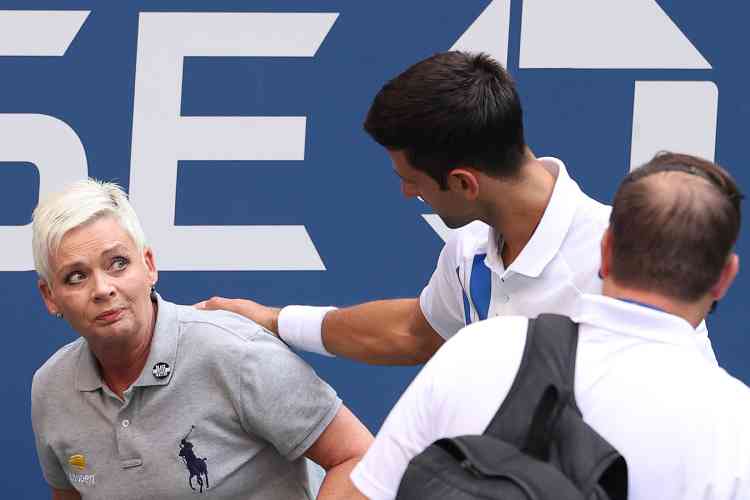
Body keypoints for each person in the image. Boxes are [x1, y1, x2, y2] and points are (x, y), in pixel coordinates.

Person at [197, 51, 717, 366]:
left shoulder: (627, 266)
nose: (406, 194)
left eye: (412, 182)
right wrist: (270, 320)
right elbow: (415, 331)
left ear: (464, 183)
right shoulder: (470, 248)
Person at [349, 152, 749, 500]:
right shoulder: (737, 428)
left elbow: (368, 493)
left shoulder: (476, 351)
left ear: (605, 251)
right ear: (724, 278)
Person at [30, 180, 373, 500]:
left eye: (118, 263)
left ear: (148, 266)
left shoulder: (235, 353)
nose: (103, 289)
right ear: (50, 296)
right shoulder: (51, 387)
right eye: (76, 277)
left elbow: (359, 458)